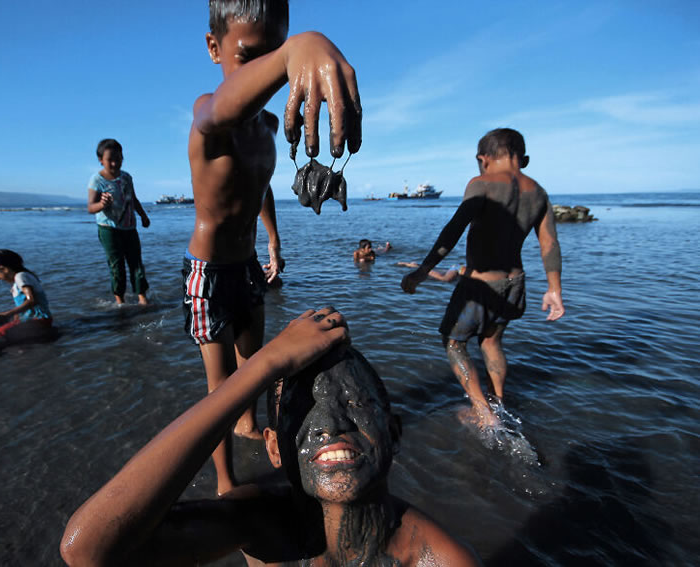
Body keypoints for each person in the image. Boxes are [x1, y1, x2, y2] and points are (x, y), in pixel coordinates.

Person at [60, 307, 482, 567]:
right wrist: (261, 367)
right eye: (304, 415)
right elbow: (88, 550)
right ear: (275, 449)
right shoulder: (264, 522)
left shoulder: (437, 559)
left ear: (393, 433)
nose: (330, 424)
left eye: (353, 404)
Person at [182, 0, 361, 495]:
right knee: (221, 390)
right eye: (249, 56)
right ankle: (225, 483)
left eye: (275, 54)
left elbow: (259, 186)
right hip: (209, 270)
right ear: (214, 48)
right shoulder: (207, 111)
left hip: (245, 263)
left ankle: (248, 427)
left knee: (252, 363)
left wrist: (274, 241)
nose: (268, 69)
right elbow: (222, 107)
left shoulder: (265, 128)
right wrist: (295, 50)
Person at [401, 128, 565, 429]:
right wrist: (554, 289)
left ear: (483, 159)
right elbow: (549, 243)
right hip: (515, 285)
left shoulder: (481, 183)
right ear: (523, 158)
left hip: (481, 285)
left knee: (453, 342)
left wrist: (424, 270)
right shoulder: (538, 192)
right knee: (491, 341)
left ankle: (484, 413)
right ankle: (498, 402)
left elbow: (454, 228)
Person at [87, 138, 151, 305]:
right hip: (109, 229)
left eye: (118, 158)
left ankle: (142, 298)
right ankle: (120, 301)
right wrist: (101, 204)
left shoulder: (126, 177)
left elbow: (133, 199)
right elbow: (90, 207)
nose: (115, 163)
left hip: (130, 227)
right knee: (117, 267)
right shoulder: (97, 180)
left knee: (136, 264)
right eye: (110, 160)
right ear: (101, 160)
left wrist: (143, 216)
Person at [0, 249, 55, 345]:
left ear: (3, 269)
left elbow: (31, 301)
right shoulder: (21, 278)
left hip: (39, 320)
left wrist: (7, 314)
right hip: (34, 320)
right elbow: (23, 304)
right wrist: (15, 319)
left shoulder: (20, 277)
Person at [396, 262, 464, 283]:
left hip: (459, 269)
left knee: (442, 273)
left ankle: (416, 266)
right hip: (458, 269)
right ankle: (417, 267)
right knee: (445, 278)